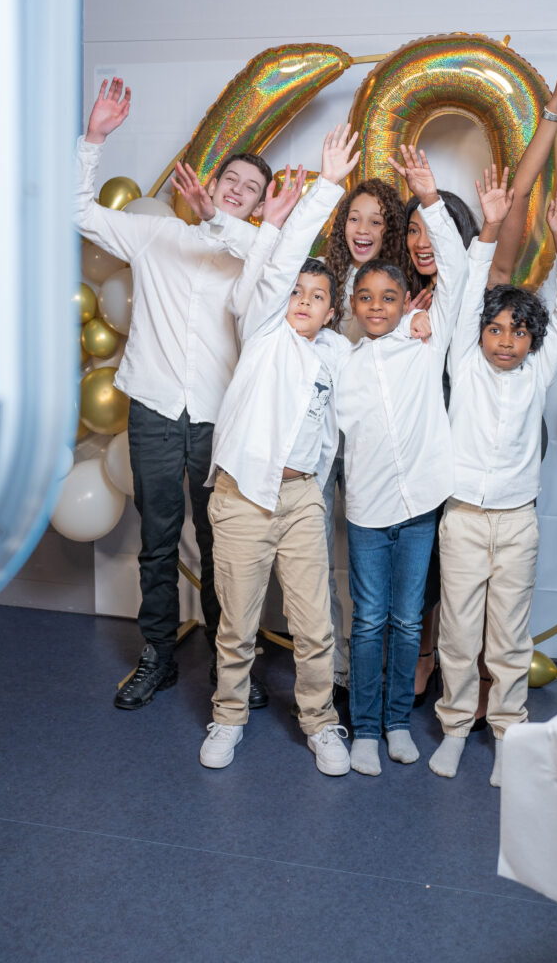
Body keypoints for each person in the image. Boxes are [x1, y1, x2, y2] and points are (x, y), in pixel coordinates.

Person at [395, 45, 557, 711]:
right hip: (434, 442)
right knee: (440, 564)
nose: (424, 244)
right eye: (414, 234)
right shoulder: (404, 299)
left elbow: (516, 197)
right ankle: (433, 657)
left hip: (500, 434)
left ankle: (490, 681)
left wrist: (552, 112)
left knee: (500, 571)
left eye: (434, 231)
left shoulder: (488, 287)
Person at [74, 77, 279, 710]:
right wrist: (94, 138)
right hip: (155, 411)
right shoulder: (154, 236)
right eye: (230, 179)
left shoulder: (257, 254)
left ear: (258, 205)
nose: (236, 189)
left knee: (224, 547)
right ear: (210, 182)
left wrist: (223, 223)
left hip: (221, 419)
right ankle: (158, 657)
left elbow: (275, 265)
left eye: (251, 188)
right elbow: (77, 211)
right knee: (158, 542)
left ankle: (230, 664)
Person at [336, 164, 514, 777]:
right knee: (369, 622)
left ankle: (394, 723)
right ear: (352, 305)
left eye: (390, 297)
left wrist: (433, 201)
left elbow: (461, 276)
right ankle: (364, 729)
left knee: (409, 619)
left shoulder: (427, 340)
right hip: (366, 509)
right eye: (366, 298)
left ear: (407, 302)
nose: (378, 307)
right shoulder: (341, 361)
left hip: (420, 507)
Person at [194, 125, 361, 775]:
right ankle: (228, 717)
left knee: (315, 625)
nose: (304, 301)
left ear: (331, 312)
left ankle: (321, 723)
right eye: (296, 291)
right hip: (242, 497)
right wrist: (327, 187)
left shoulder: (337, 355)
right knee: (236, 626)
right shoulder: (264, 332)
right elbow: (285, 260)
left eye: (318, 298)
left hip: (300, 500)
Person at [428, 171, 557, 788]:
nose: (506, 341)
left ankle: (506, 732)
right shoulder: (464, 363)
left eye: (519, 332)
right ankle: (454, 728)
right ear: (479, 334)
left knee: (509, 636)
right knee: (459, 632)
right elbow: (469, 290)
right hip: (463, 517)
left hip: (517, 522)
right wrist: (490, 227)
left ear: (533, 342)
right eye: (495, 328)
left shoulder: (537, 373)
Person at [320, 177, 409, 696]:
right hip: (321, 441)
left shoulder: (400, 290)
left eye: (376, 220)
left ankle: (371, 669)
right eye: (355, 217)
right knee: (318, 559)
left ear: (389, 229)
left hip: (373, 444)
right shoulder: (321, 278)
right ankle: (333, 667)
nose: (363, 228)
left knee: (373, 563)